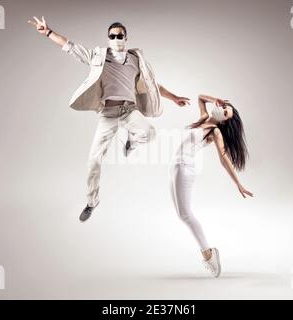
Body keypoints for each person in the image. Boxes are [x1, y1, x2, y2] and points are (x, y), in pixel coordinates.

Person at [28, 17, 190, 221]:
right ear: (108, 38)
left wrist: (174, 97)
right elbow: (70, 46)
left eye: (119, 35)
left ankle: (131, 141)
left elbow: (153, 85)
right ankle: (91, 202)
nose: (115, 38)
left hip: (129, 110)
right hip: (108, 114)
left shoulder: (135, 60)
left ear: (126, 37)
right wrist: (48, 32)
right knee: (93, 161)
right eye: (112, 36)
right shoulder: (98, 57)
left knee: (149, 133)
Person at [169, 94, 254, 277]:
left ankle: (208, 254)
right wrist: (216, 99)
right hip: (175, 166)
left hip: (185, 167)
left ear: (224, 122)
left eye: (225, 113)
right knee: (181, 215)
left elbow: (223, 159)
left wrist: (238, 183)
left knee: (185, 214)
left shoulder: (214, 131)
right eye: (224, 108)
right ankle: (208, 253)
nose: (222, 110)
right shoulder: (204, 118)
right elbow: (200, 97)